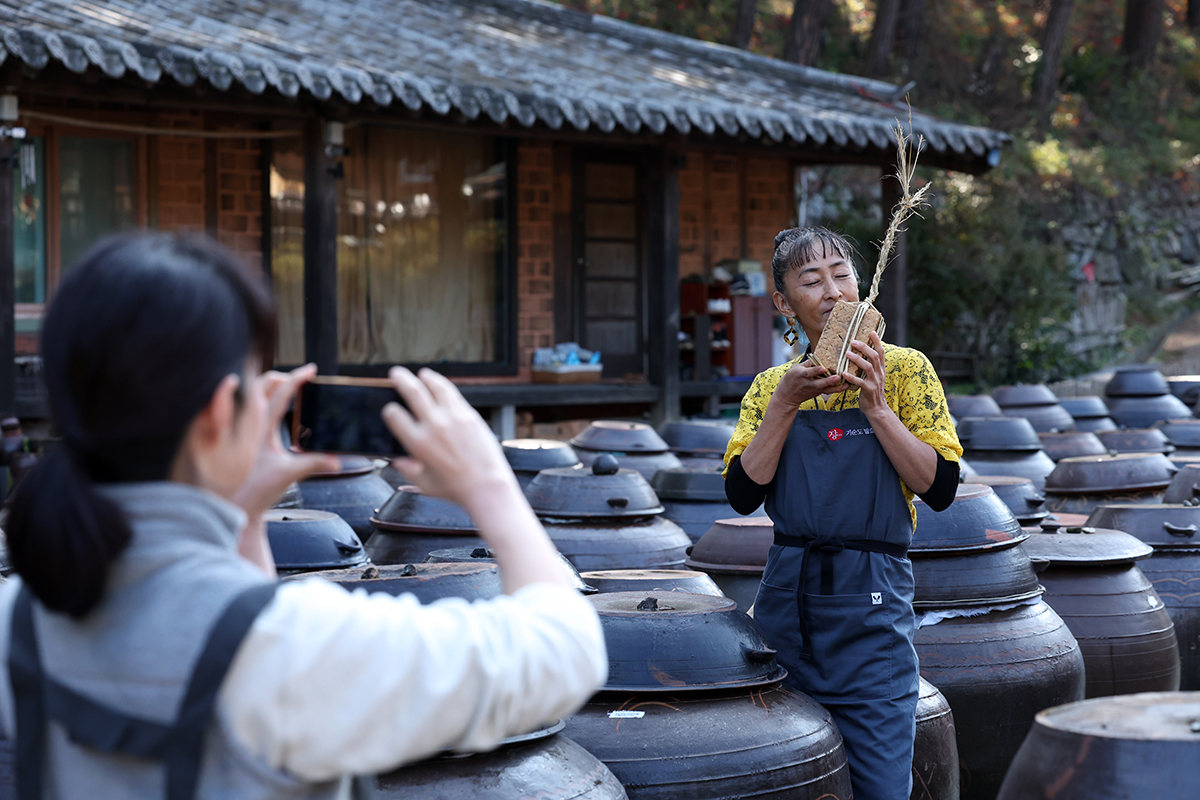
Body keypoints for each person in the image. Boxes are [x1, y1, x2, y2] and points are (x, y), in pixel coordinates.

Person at [0, 233, 608, 798]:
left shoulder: (18, 617)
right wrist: (490, 486)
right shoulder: (295, 646)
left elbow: (206, 635)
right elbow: (566, 651)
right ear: (219, 410)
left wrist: (242, 515)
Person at [722, 227, 962, 800]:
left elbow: (941, 488)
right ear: (783, 303)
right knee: (789, 778)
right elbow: (741, 494)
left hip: (871, 606)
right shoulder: (770, 387)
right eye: (811, 280)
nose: (833, 291)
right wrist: (785, 404)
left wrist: (877, 408)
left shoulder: (905, 370)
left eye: (842, 274)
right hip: (788, 601)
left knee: (880, 783)